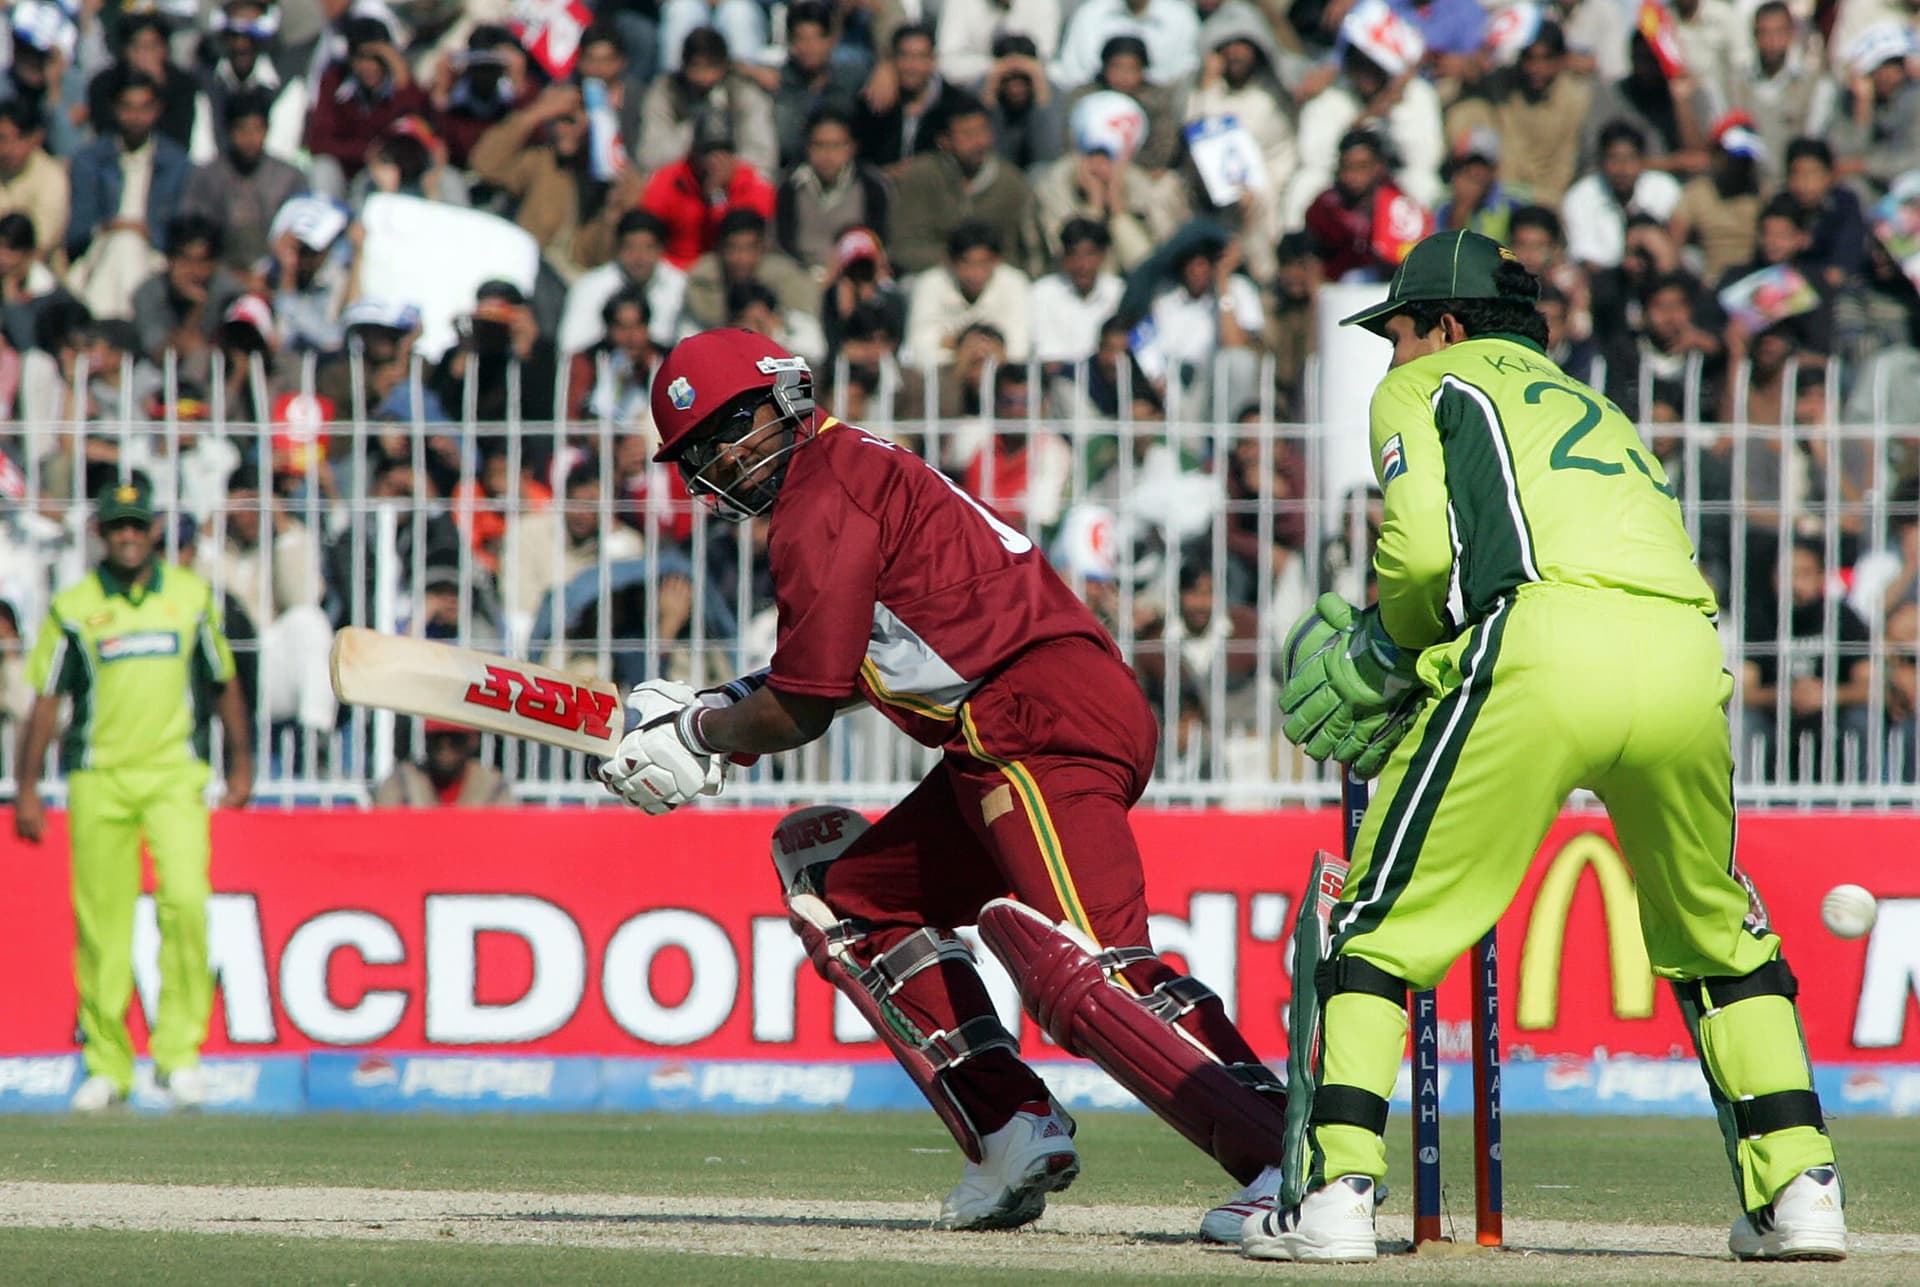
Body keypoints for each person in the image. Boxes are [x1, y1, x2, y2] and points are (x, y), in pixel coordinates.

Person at [596, 328, 1293, 1239]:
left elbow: (803, 704)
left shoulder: (822, 493)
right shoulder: (847, 470)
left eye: (736, 425)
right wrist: (723, 704)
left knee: (1096, 967)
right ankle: (1009, 1126)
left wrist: (702, 732)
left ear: (786, 397)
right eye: (704, 449)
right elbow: (857, 657)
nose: (727, 456)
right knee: (847, 894)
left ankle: (1291, 1158)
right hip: (1003, 727)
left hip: (1034, 720)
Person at [1255, 230, 1845, 1262]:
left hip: (1540, 648)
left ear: (1443, 326)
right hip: (1682, 655)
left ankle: (1335, 1198)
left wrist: (1393, 649)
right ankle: (1801, 1194)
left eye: (1398, 332)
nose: (1391, 356)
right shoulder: (1597, 406)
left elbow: (1426, 553)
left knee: (1378, 922)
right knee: (1718, 935)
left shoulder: (1426, 385)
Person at [15, 477, 253, 1112]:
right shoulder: (75, 606)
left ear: (153, 531)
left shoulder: (190, 596)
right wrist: (30, 788)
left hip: (175, 776)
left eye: (135, 525)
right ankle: (108, 1064)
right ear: (100, 533)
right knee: (102, 927)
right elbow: (46, 701)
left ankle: (178, 1056)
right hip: (99, 781)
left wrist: (242, 766)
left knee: (186, 905)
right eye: (115, 525)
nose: (126, 536)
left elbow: (223, 681)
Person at [373, 719, 513, 805]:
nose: (444, 746)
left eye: (455, 738)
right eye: (437, 737)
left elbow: (508, 836)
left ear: (473, 740)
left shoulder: (492, 784)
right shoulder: (402, 780)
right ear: (426, 739)